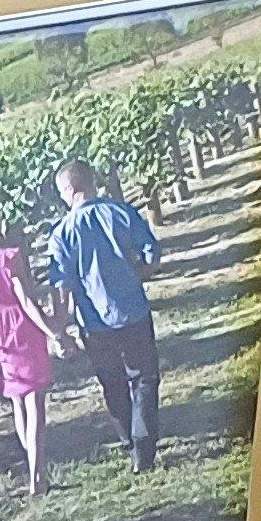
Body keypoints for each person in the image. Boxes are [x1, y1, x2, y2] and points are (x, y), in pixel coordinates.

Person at [48, 157, 166, 470]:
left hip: (94, 323)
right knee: (144, 378)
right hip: (133, 312)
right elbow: (152, 251)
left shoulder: (61, 234)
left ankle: (128, 440)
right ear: (91, 183)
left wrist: (60, 331)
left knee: (112, 381)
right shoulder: (121, 211)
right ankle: (144, 444)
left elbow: (62, 286)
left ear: (71, 190)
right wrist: (141, 272)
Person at [0, 203, 70, 498]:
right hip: (22, 331)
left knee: (17, 403)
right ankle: (37, 475)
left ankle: (33, 471)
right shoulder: (10, 257)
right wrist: (54, 332)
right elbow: (27, 303)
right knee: (35, 404)